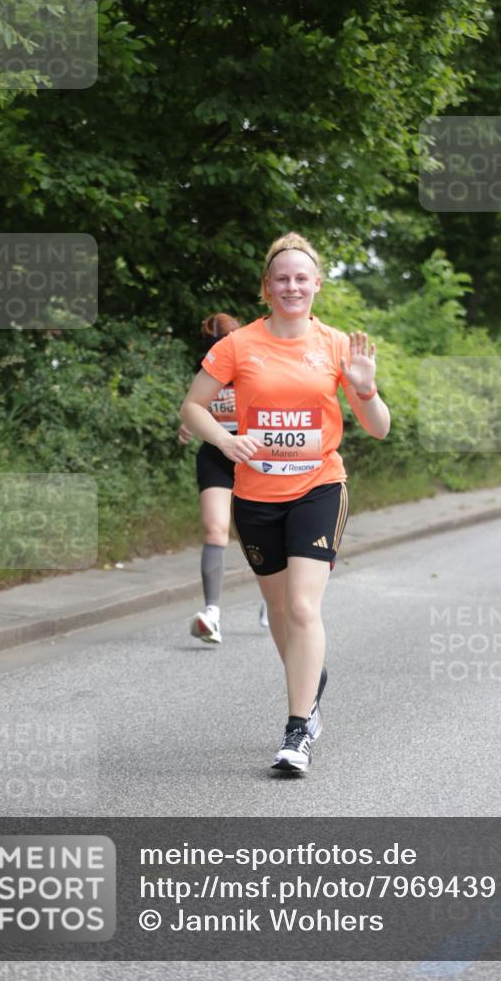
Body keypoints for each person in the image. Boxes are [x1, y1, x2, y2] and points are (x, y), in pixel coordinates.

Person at [181, 232, 390, 772]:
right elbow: (193, 407)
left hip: (319, 487)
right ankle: (310, 679)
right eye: (282, 279)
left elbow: (379, 428)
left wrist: (366, 389)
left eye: (302, 278)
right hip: (255, 495)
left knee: (301, 606)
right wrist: (225, 440)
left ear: (316, 284)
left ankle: (298, 729)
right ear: (267, 287)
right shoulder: (238, 345)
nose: (292, 286)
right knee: (278, 610)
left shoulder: (337, 346)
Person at [179, 313, 270, 643]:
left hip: (255, 456)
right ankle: (212, 615)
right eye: (212, 349)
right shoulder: (208, 372)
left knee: (262, 537)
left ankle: (273, 601)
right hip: (217, 456)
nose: (218, 353)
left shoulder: (256, 369)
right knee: (215, 528)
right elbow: (195, 408)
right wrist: (189, 424)